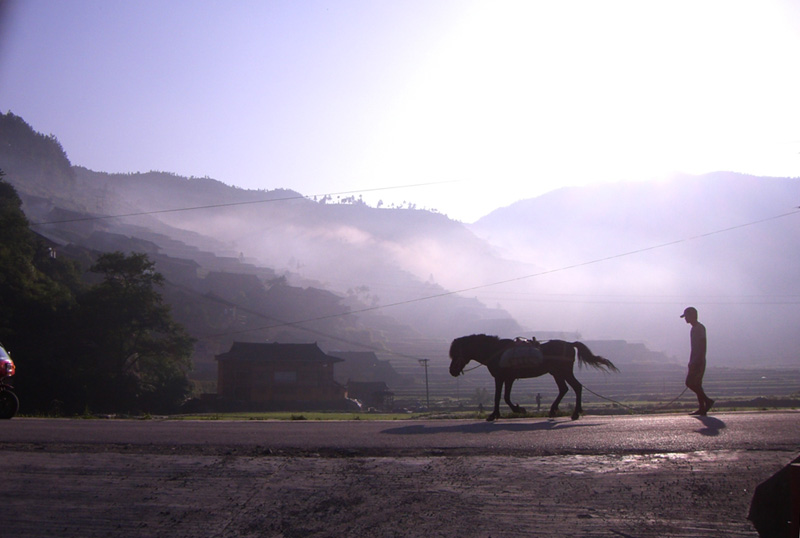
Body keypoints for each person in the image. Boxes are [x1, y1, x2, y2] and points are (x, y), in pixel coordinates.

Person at [681, 306, 714, 415]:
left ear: (692, 316)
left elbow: (702, 346)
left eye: (687, 316)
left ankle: (707, 401)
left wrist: (696, 360)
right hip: (695, 360)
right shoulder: (694, 328)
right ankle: (702, 407)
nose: (685, 319)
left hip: (698, 361)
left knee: (690, 383)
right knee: (697, 384)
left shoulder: (699, 328)